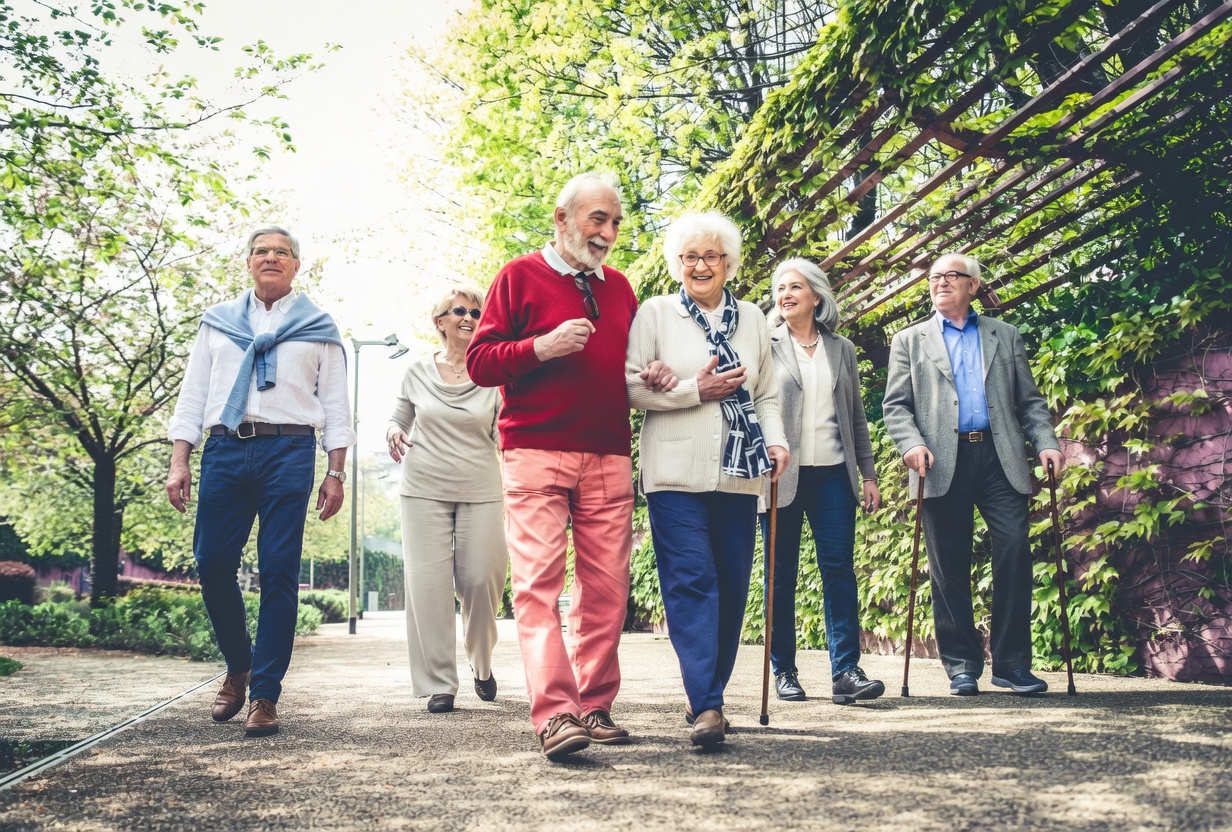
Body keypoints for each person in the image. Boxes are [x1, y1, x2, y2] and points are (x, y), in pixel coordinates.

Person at [466, 172, 676, 760]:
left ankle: (594, 705)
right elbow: (480, 362)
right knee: (538, 587)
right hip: (535, 450)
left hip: (609, 450)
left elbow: (630, 369)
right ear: (562, 219)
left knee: (607, 591)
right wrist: (541, 347)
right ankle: (556, 714)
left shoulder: (622, 289)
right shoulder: (518, 276)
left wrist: (654, 373)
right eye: (597, 219)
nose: (607, 232)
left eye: (615, 222)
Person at [166, 226, 353, 737]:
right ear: (248, 261)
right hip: (224, 448)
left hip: (289, 450)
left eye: (282, 252)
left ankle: (265, 693)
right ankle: (239, 666)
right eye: (262, 251)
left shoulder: (319, 327)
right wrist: (180, 461)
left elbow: (336, 407)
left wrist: (335, 473)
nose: (271, 257)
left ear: (296, 265)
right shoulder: (218, 323)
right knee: (211, 563)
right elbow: (193, 395)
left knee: (278, 570)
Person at [626, 211, 789, 748]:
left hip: (738, 472)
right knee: (692, 580)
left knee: (732, 586)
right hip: (674, 474)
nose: (700, 265)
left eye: (711, 256)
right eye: (690, 256)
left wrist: (776, 440)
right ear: (677, 263)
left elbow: (766, 395)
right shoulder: (656, 314)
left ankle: (706, 693)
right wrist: (693, 390)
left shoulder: (754, 319)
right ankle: (708, 704)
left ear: (728, 263)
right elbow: (630, 388)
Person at [882, 252, 1064, 696]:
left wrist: (1046, 442)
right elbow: (896, 407)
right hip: (940, 460)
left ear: (973, 285)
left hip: (999, 458)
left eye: (951, 275)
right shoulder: (909, 340)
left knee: (1014, 550)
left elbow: (1030, 401)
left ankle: (1012, 665)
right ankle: (962, 665)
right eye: (934, 277)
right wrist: (911, 444)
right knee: (948, 566)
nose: (940, 282)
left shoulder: (1005, 334)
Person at [762, 259, 884, 706]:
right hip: (780, 476)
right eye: (780, 288)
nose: (785, 294)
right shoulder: (765, 345)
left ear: (816, 296)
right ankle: (784, 670)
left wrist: (868, 473)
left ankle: (846, 671)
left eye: (795, 287)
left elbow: (855, 416)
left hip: (834, 473)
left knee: (839, 571)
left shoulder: (841, 348)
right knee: (780, 576)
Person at [386, 286, 508, 715]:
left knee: (481, 581)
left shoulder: (495, 374)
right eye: (459, 310)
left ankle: (482, 661)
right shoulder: (417, 371)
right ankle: (440, 683)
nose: (469, 317)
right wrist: (393, 431)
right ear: (440, 321)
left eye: (476, 311)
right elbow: (399, 417)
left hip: (481, 489)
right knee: (429, 588)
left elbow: (504, 430)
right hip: (423, 489)